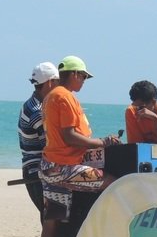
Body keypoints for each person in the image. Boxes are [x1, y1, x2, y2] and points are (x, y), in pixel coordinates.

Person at [40, 55, 120, 226]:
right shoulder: (65, 97)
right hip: (65, 167)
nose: (84, 81)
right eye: (84, 77)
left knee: (53, 223)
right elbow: (70, 136)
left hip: (49, 166)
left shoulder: (49, 96)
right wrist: (103, 142)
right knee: (115, 184)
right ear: (75, 74)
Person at [18, 62, 60, 237]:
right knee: (51, 219)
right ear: (50, 83)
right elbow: (54, 142)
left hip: (36, 169)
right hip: (37, 171)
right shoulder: (38, 111)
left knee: (50, 218)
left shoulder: (37, 104)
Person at [124, 80, 157, 145]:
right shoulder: (131, 112)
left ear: (153, 102)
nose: (138, 110)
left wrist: (156, 119)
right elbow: (135, 146)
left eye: (141, 107)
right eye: (135, 106)